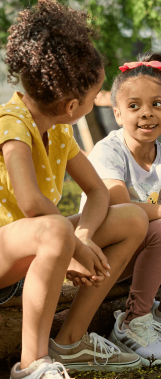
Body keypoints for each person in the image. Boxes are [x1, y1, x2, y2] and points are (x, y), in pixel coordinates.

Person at [0, 1, 149, 377]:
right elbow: (31, 203)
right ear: (70, 105)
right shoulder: (9, 123)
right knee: (53, 228)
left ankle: (70, 341)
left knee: (131, 217)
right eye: (94, 95)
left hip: (34, 243)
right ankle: (32, 364)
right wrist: (73, 245)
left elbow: (98, 192)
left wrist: (81, 237)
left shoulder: (60, 131)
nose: (96, 100)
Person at [79, 51, 161, 366]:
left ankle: (154, 311)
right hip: (102, 253)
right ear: (116, 113)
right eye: (134, 106)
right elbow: (119, 205)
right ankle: (133, 322)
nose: (147, 114)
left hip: (143, 252)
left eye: (156, 104)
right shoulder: (109, 151)